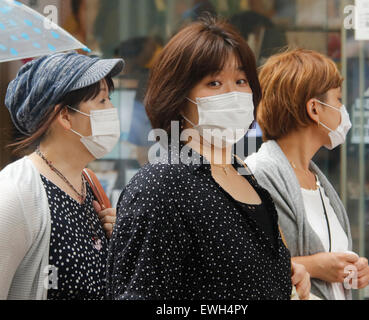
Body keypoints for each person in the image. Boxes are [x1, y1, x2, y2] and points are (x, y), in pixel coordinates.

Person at [106, 17, 310, 300]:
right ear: (178, 96)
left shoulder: (245, 175)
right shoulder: (162, 186)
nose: (233, 94)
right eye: (213, 83)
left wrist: (280, 273)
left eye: (241, 80)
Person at [245, 48, 369, 300]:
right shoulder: (258, 174)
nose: (343, 110)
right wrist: (315, 265)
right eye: (338, 99)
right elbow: (246, 267)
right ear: (314, 109)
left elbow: (332, 264)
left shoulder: (315, 178)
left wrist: (353, 271)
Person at [0, 52, 124, 300]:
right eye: (101, 101)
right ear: (65, 116)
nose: (112, 109)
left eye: (109, 99)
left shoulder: (87, 182)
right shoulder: (16, 192)